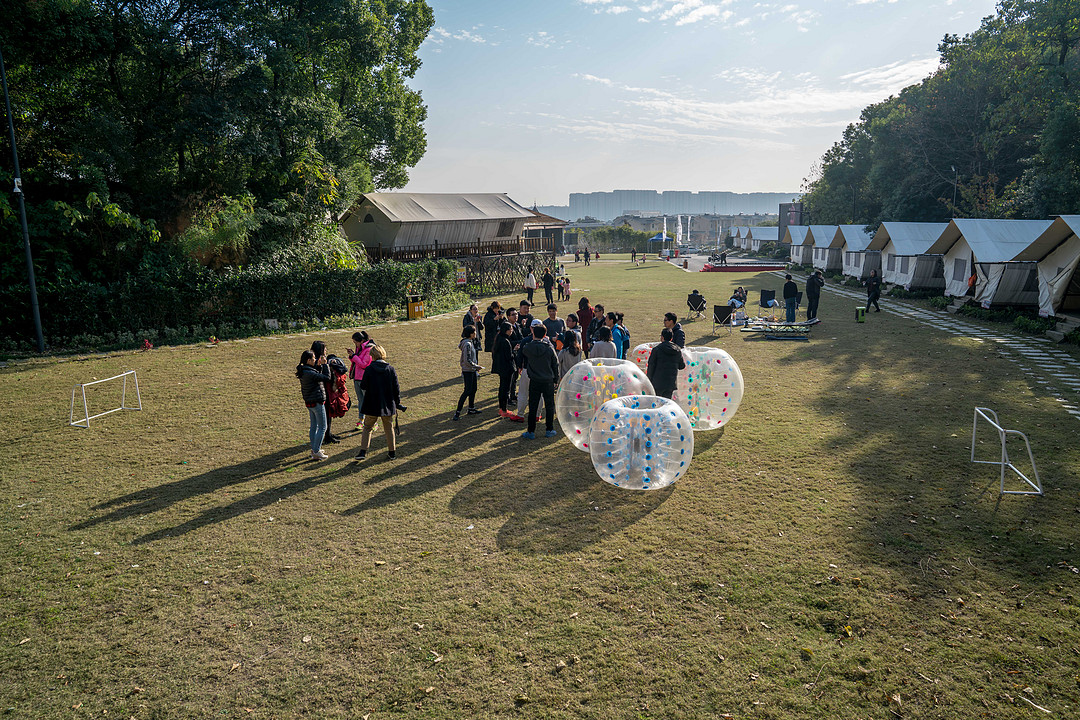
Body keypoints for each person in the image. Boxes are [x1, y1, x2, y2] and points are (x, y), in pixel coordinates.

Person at [355, 345, 404, 461]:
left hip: (372, 404)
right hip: (387, 404)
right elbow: (396, 388)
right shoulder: (390, 369)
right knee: (388, 428)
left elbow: (363, 386)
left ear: (372, 356)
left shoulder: (369, 369)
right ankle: (392, 452)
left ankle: (363, 451)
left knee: (367, 427)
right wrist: (397, 403)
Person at [520, 324, 560, 439]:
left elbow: (524, 351)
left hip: (535, 379)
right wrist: (556, 378)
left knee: (533, 405)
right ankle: (549, 429)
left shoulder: (528, 347)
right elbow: (555, 364)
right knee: (549, 405)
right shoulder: (549, 348)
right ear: (545, 334)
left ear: (533, 333)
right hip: (548, 380)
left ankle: (531, 431)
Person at [296, 349, 332, 461]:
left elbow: (317, 375)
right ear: (308, 360)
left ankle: (314, 449)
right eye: (313, 358)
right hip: (317, 401)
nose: (315, 360)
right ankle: (316, 451)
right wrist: (325, 365)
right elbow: (327, 378)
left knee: (314, 426)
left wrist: (319, 366)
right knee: (322, 427)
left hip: (309, 402)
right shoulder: (310, 373)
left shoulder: (304, 371)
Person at [493, 321, 524, 421]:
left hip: (501, 367)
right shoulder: (505, 341)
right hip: (507, 368)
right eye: (511, 330)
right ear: (506, 331)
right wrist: (514, 350)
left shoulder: (499, 338)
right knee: (505, 389)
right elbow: (509, 356)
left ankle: (502, 408)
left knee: (502, 388)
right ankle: (504, 409)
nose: (512, 331)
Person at [310, 340, 339, 444]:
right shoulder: (318, 362)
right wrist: (327, 365)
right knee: (325, 414)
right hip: (322, 391)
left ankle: (328, 433)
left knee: (327, 414)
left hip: (323, 390)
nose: (326, 350)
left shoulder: (315, 360)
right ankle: (326, 436)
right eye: (324, 348)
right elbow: (326, 377)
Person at [646, 328, 686, 399]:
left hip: (657, 383)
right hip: (670, 383)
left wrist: (648, 380)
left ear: (662, 337)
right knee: (666, 405)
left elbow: (651, 366)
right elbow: (681, 366)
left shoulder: (656, 350)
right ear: (671, 338)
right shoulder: (677, 350)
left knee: (656, 403)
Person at [453, 326, 483, 420]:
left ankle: (471, 408)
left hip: (472, 370)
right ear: (470, 334)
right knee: (467, 391)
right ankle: (458, 412)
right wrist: (476, 366)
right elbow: (467, 360)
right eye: (474, 332)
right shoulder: (467, 344)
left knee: (473, 389)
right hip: (468, 371)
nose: (475, 334)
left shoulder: (469, 342)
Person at [347, 331, 374, 429]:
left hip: (364, 379)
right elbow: (356, 362)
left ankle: (372, 422)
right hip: (357, 378)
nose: (355, 344)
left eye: (355, 342)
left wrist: (354, 356)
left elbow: (364, 365)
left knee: (367, 401)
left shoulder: (369, 349)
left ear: (362, 340)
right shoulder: (359, 348)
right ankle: (361, 420)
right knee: (360, 400)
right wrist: (352, 356)